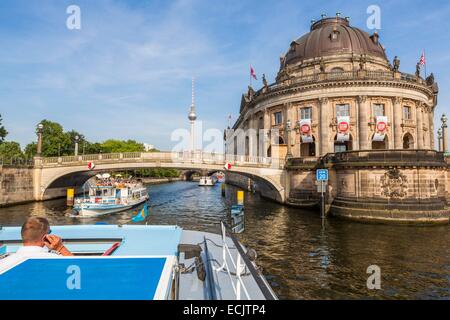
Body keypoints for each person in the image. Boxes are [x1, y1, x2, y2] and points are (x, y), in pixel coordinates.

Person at [0, 217, 73, 269]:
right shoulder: (57, 261)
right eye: (49, 232)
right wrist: (60, 248)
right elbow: (80, 269)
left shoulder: (3, 264)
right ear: (45, 237)